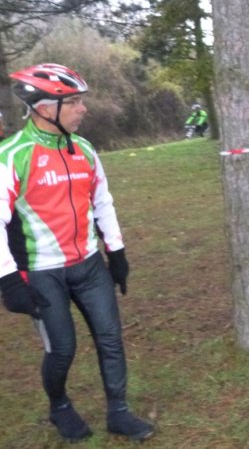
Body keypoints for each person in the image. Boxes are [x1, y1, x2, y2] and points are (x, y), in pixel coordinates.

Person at [0, 64, 155, 443]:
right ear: (42, 107)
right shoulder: (12, 154)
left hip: (88, 265)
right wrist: (7, 279)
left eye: (80, 101)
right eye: (72, 102)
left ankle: (118, 412)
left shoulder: (84, 148)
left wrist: (116, 253)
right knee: (62, 349)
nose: (82, 109)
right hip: (41, 271)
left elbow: (103, 202)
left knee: (110, 339)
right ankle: (60, 407)